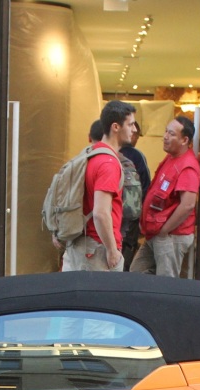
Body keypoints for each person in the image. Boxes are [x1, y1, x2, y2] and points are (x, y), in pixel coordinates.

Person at [62, 100, 136, 273]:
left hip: (79, 244)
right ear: (116, 127)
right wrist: (112, 250)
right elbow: (101, 213)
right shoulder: (108, 163)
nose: (134, 129)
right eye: (131, 124)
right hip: (96, 250)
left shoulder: (91, 154)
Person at [131, 116, 200, 278]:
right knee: (136, 272)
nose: (165, 137)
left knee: (166, 282)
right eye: (165, 132)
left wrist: (164, 230)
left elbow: (188, 204)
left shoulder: (187, 166)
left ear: (184, 140)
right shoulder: (171, 158)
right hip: (156, 232)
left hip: (171, 235)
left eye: (171, 134)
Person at [118, 126, 150, 270]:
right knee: (126, 250)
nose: (135, 137)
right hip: (130, 217)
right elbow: (146, 186)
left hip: (110, 214)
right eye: (135, 134)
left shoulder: (107, 151)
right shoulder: (137, 155)